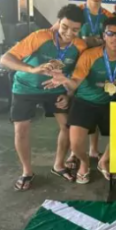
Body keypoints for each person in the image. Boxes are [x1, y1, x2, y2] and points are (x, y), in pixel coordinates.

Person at [0, 4, 86, 190]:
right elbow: (5, 58)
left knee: (67, 127)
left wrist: (69, 95)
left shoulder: (80, 46)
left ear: (81, 29)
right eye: (64, 27)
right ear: (58, 22)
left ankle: (59, 165)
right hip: (25, 87)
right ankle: (27, 172)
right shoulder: (40, 36)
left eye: (75, 29)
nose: (69, 33)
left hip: (55, 90)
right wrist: (32, 69)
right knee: (21, 130)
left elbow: (76, 76)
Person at [43, 17, 116, 183]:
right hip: (85, 102)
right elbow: (75, 84)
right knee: (76, 144)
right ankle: (84, 163)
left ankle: (103, 161)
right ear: (104, 36)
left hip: (111, 103)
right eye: (110, 33)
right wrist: (64, 80)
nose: (115, 38)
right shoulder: (90, 55)